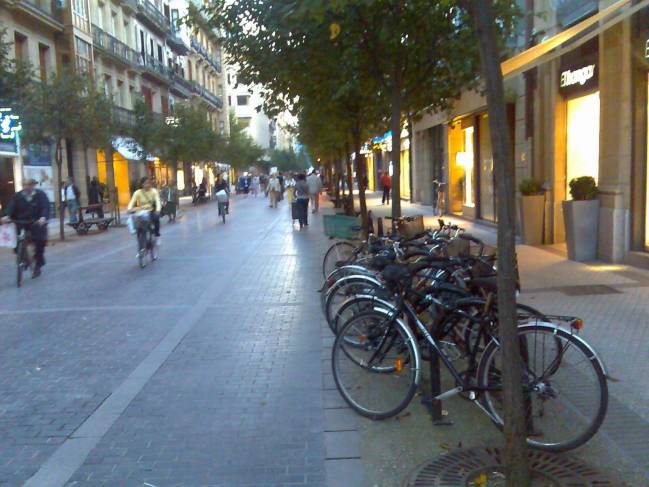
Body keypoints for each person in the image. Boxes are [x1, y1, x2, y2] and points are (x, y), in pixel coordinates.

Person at [1, 178, 50, 278]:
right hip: (21, 222)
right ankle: (21, 258)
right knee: (16, 241)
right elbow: (10, 207)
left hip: (36, 222)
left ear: (33, 185)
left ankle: (38, 263)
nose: (27, 187)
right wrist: (6, 216)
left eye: (30, 185)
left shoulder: (40, 195)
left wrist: (43, 217)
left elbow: (45, 207)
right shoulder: (17, 196)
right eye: (25, 185)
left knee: (40, 241)